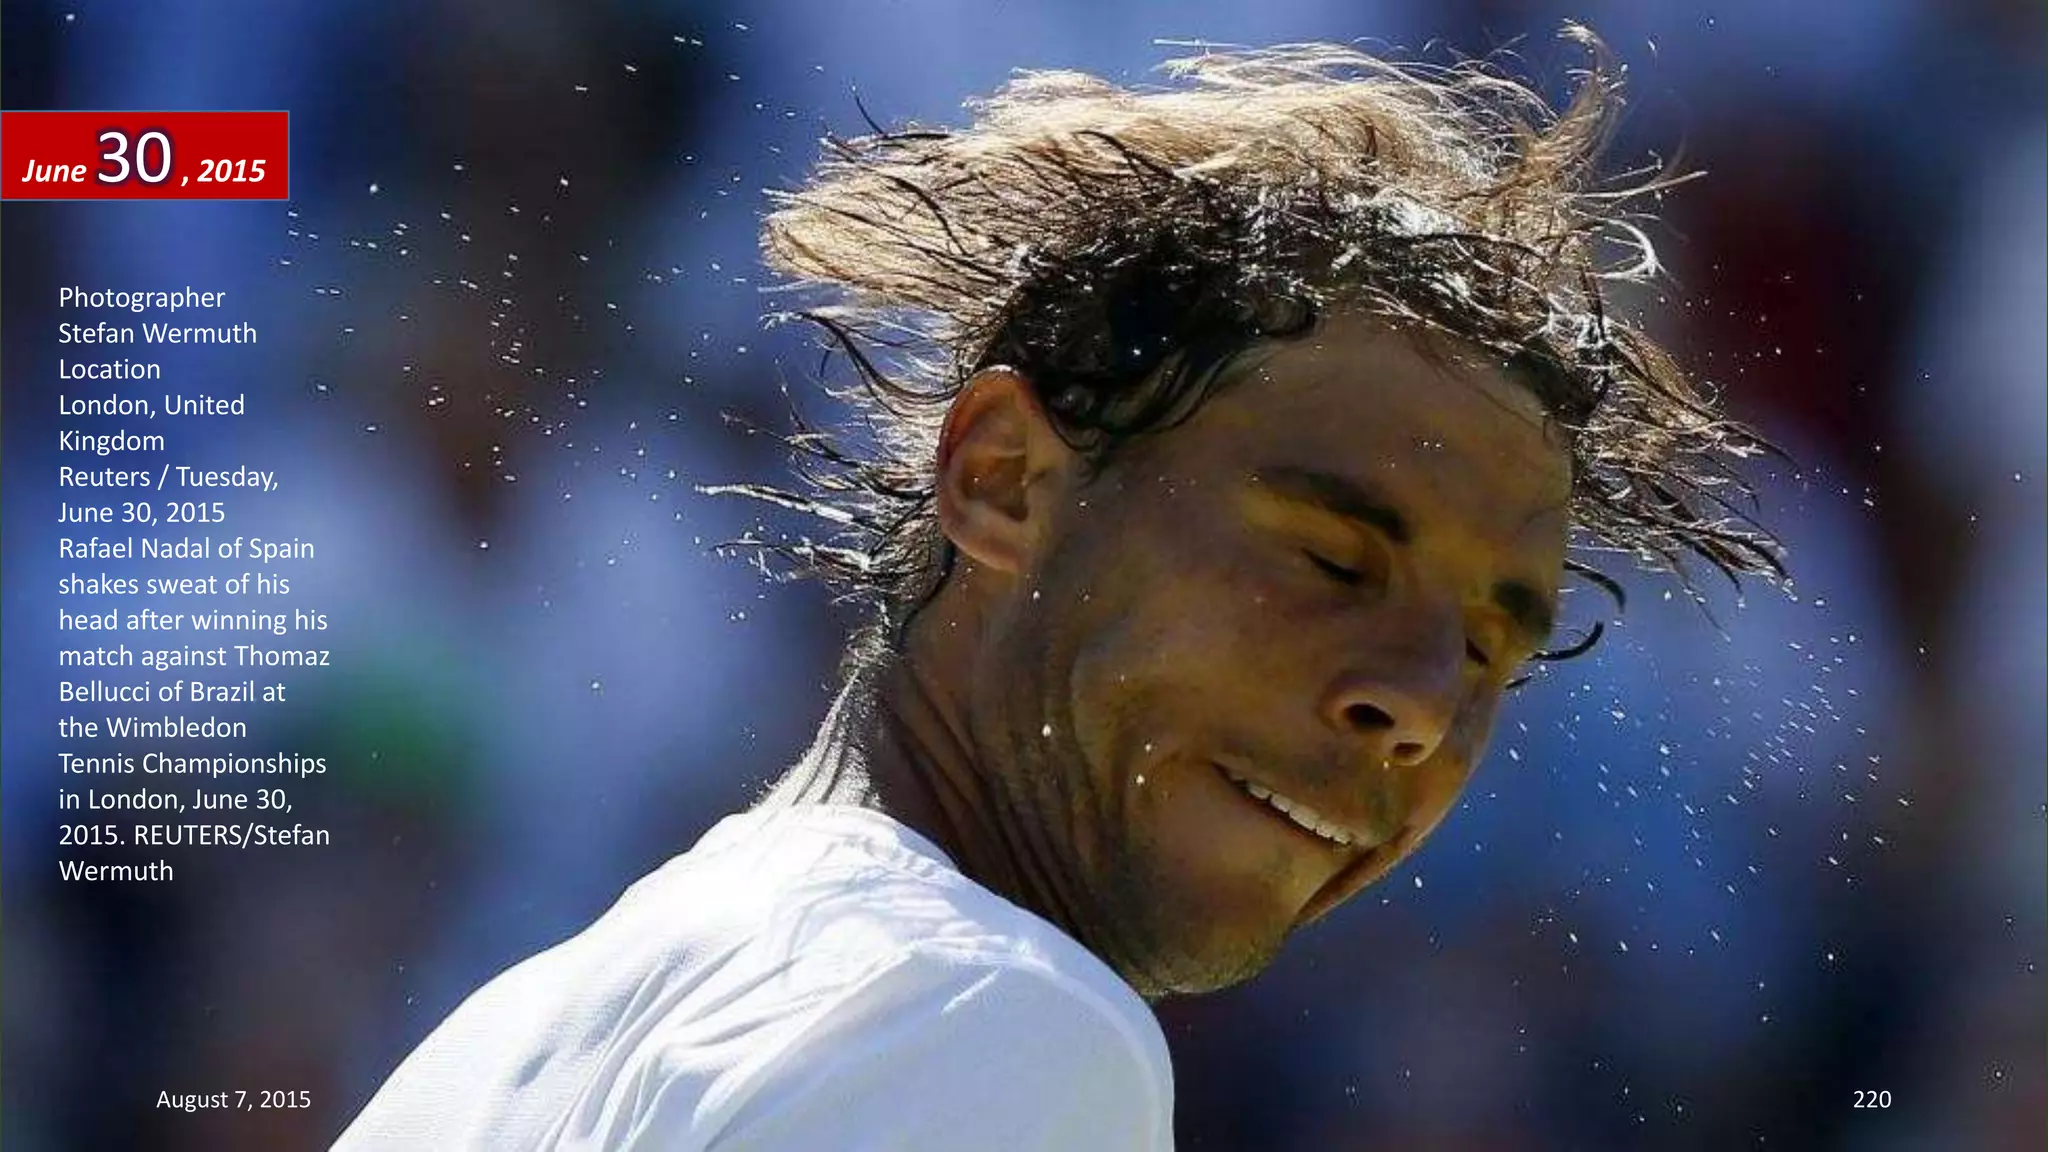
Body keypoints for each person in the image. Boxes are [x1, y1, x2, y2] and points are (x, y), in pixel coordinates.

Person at [336, 28, 1781, 1150]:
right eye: (1331, 560)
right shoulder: (995, 1019)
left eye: (1485, 654)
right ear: (1006, 482)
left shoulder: (512, 1035)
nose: (1414, 707)